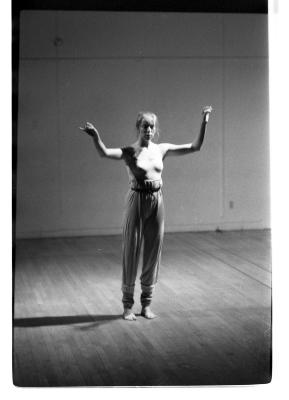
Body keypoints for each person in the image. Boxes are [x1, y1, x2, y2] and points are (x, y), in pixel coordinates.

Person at [79, 106, 212, 321]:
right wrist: (96, 137)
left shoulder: (162, 149)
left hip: (157, 200)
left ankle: (147, 304)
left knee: (153, 251)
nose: (148, 130)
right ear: (138, 128)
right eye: (144, 126)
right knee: (132, 250)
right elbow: (104, 153)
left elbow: (195, 146)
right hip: (137, 200)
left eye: (151, 127)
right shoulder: (130, 152)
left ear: (155, 129)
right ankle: (127, 306)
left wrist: (204, 121)